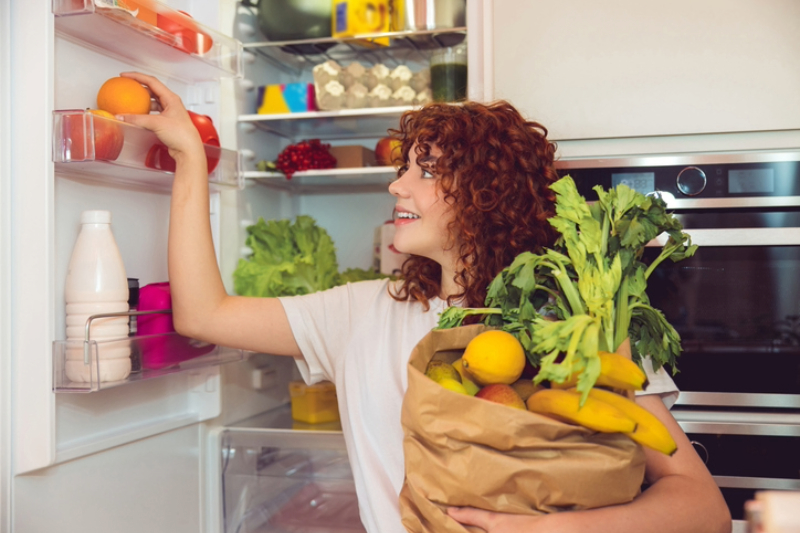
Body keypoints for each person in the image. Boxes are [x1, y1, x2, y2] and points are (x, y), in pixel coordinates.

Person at [118, 71, 731, 533]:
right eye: (403, 166)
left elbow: (700, 506)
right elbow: (204, 314)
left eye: (426, 170)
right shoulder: (360, 312)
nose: (396, 184)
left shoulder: (577, 322)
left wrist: (550, 529)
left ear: (488, 193)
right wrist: (189, 162)